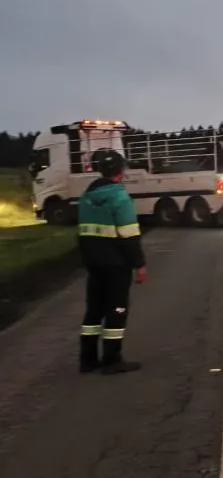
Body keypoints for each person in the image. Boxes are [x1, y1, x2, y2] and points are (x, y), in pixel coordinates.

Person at [78, 149, 147, 375]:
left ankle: (87, 360)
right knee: (117, 309)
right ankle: (112, 359)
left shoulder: (86, 198)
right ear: (121, 170)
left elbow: (83, 233)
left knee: (94, 311)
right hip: (117, 265)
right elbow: (129, 235)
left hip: (94, 263)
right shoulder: (120, 198)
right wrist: (139, 264)